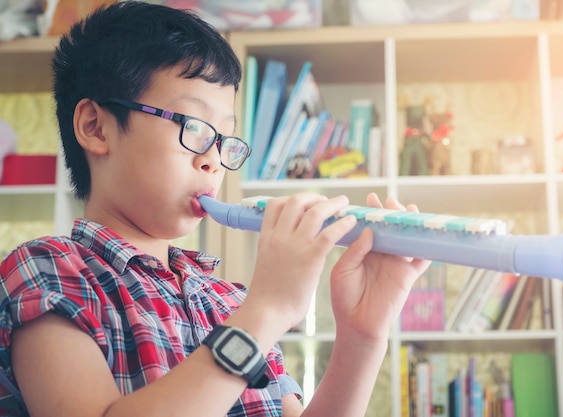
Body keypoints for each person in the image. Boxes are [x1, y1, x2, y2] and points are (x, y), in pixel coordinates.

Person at [0, 2, 430, 416]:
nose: (214, 160)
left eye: (224, 139)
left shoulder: (231, 302)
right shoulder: (47, 269)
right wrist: (268, 311)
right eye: (194, 127)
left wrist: (362, 335)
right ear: (95, 127)